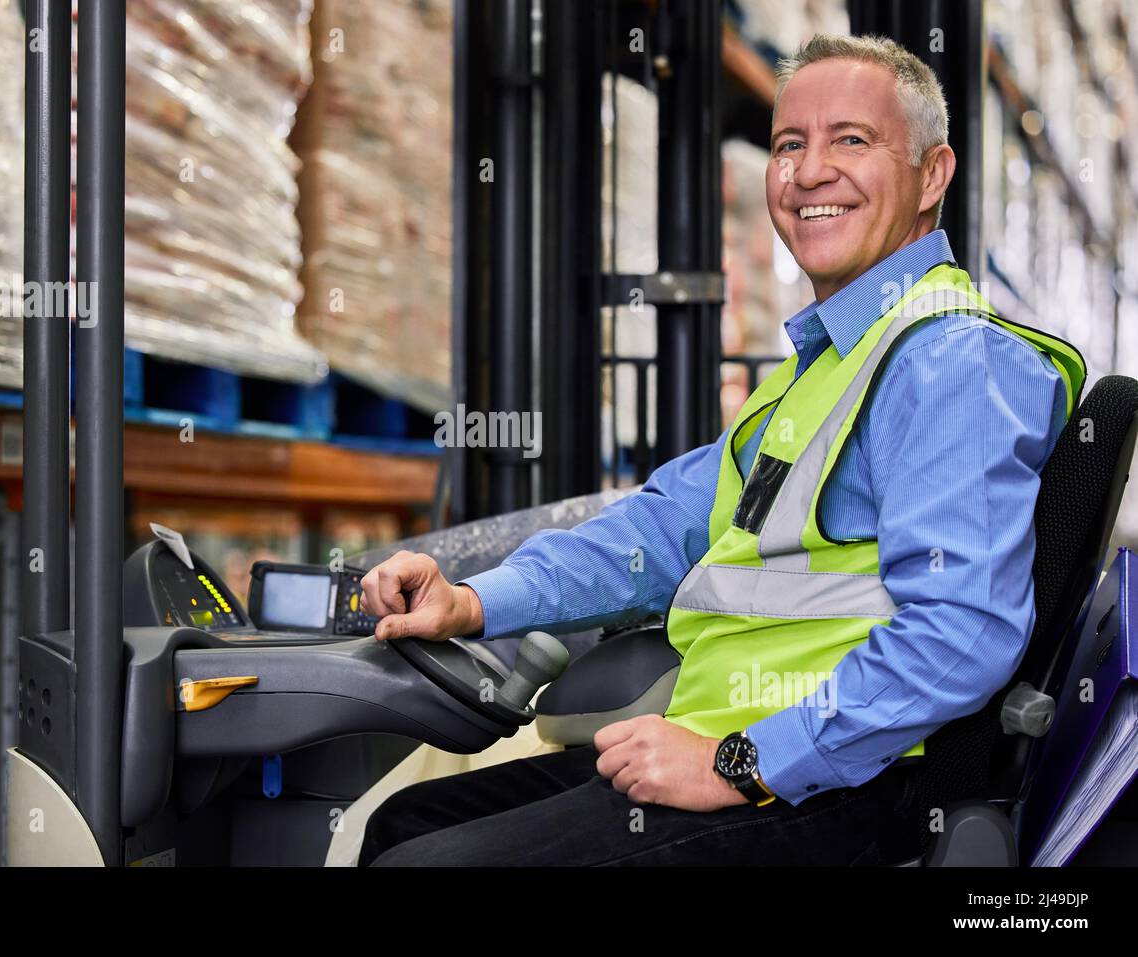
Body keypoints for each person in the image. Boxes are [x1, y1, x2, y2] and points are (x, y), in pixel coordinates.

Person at [356, 33, 1085, 866]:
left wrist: (740, 762)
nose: (810, 172)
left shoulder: (951, 363)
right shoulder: (827, 364)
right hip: (741, 748)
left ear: (933, 175)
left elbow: (961, 632)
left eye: (852, 140)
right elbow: (662, 529)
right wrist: (475, 601)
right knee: (402, 826)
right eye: (788, 145)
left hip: (844, 783)